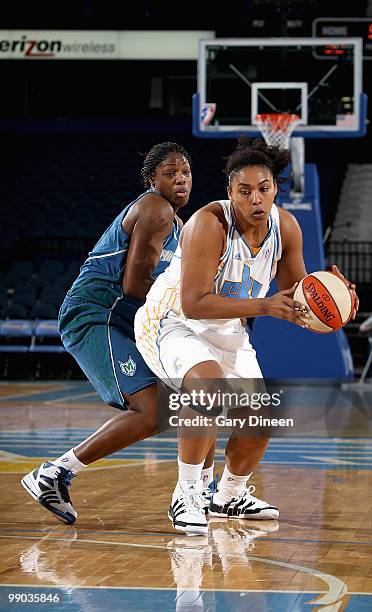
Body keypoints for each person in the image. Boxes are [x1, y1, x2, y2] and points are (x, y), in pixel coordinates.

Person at [135, 137, 358, 535]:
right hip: (171, 321)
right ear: (230, 193)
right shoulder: (209, 223)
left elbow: (294, 296)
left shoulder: (285, 226)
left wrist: (329, 297)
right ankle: (186, 493)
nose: (256, 199)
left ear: (275, 189)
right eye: (245, 191)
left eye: (264, 189)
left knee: (260, 419)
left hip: (227, 326)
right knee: (210, 391)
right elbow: (195, 304)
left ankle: (229, 495)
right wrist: (265, 306)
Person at [21, 142, 215, 524]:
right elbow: (133, 285)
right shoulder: (155, 208)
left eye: (186, 173)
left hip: (130, 323)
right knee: (153, 409)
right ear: (151, 180)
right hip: (96, 315)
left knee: (188, 399)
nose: (180, 180)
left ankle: (203, 491)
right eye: (170, 173)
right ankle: (55, 473)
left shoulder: (177, 225)